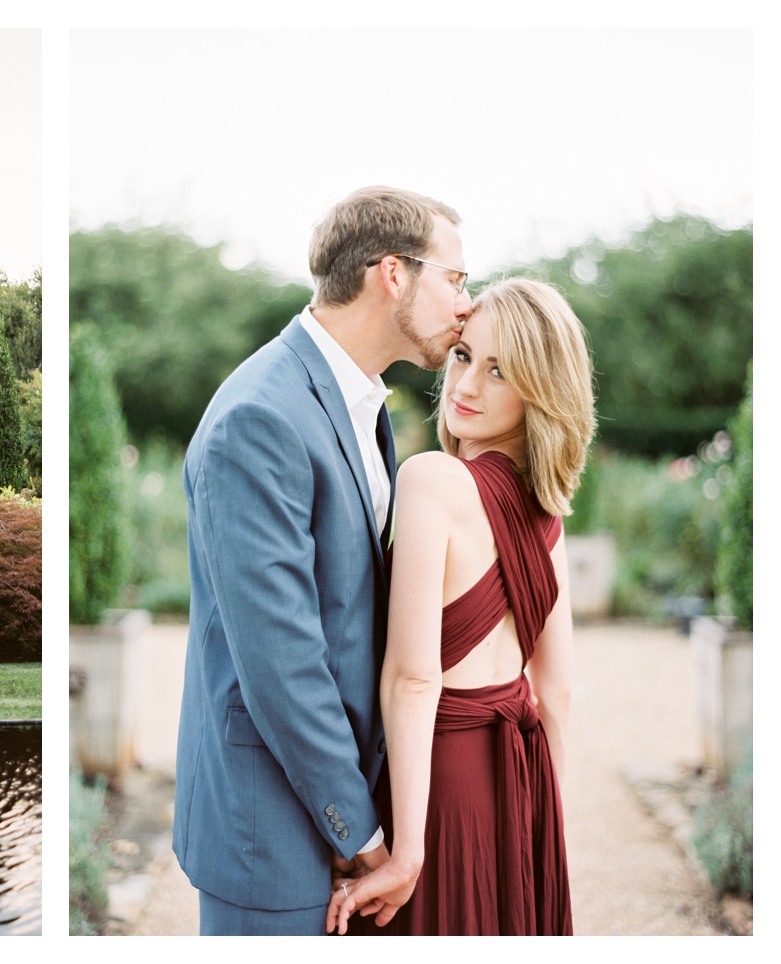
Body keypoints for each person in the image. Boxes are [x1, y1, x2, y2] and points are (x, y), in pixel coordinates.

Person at [174, 186, 473, 935]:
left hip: (340, 805)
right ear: (393, 274)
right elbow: (281, 661)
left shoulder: (358, 403)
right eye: (457, 278)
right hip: (274, 829)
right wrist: (365, 838)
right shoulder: (260, 416)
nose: (467, 303)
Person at [327, 278, 594, 936]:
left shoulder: (432, 479)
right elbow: (554, 693)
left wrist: (408, 852)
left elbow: (415, 678)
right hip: (518, 784)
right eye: (466, 355)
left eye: (501, 371)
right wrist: (544, 831)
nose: (467, 385)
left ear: (540, 389)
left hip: (436, 783)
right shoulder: (548, 516)